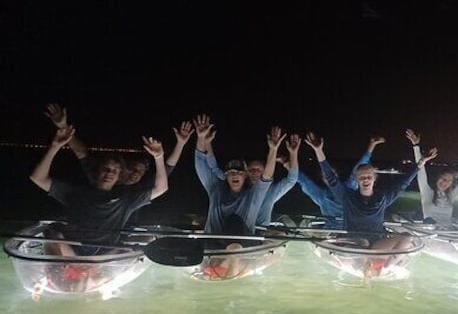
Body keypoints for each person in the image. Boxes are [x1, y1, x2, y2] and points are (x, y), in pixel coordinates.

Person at [29, 125, 169, 256]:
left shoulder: (125, 199)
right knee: (52, 233)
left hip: (103, 253)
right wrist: (54, 146)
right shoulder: (77, 194)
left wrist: (159, 157)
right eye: (106, 169)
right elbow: (38, 178)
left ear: (119, 177)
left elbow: (161, 188)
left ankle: (86, 273)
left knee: (126, 249)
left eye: (114, 171)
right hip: (74, 249)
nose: (109, 173)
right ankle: (63, 272)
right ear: (97, 172)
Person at [304, 131, 436, 233]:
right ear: (356, 180)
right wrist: (318, 151)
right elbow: (331, 179)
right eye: (362, 177)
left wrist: (421, 162)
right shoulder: (347, 197)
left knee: (406, 238)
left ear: (374, 178)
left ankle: (380, 263)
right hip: (354, 242)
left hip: (376, 241)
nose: (365, 179)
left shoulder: (383, 198)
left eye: (368, 176)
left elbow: (403, 183)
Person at [44, 103, 194, 187]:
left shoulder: (140, 188)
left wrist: (180, 143)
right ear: (122, 170)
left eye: (140, 172)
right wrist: (63, 127)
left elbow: (167, 168)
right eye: (133, 169)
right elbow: (81, 152)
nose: (136, 174)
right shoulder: (102, 177)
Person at [195, 115, 301, 227]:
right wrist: (204, 141)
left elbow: (288, 179)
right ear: (246, 173)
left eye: (258, 170)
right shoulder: (219, 187)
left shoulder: (261, 193)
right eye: (251, 170)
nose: (255, 172)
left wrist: (283, 152)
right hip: (216, 240)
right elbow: (212, 167)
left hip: (257, 236)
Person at [292, 135, 387, 225]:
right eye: (325, 176)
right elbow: (303, 181)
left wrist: (371, 146)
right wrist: (287, 162)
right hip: (331, 233)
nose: (329, 177)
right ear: (322, 179)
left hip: (353, 229)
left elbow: (360, 168)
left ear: (337, 176)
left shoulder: (348, 188)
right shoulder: (322, 196)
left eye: (332, 175)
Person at [405, 129, 458, 229]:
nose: (444, 182)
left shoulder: (450, 196)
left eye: (448, 181)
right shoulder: (427, 193)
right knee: (429, 222)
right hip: (432, 233)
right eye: (443, 178)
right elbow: (421, 172)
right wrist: (416, 146)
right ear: (438, 178)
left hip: (450, 233)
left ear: (451, 184)